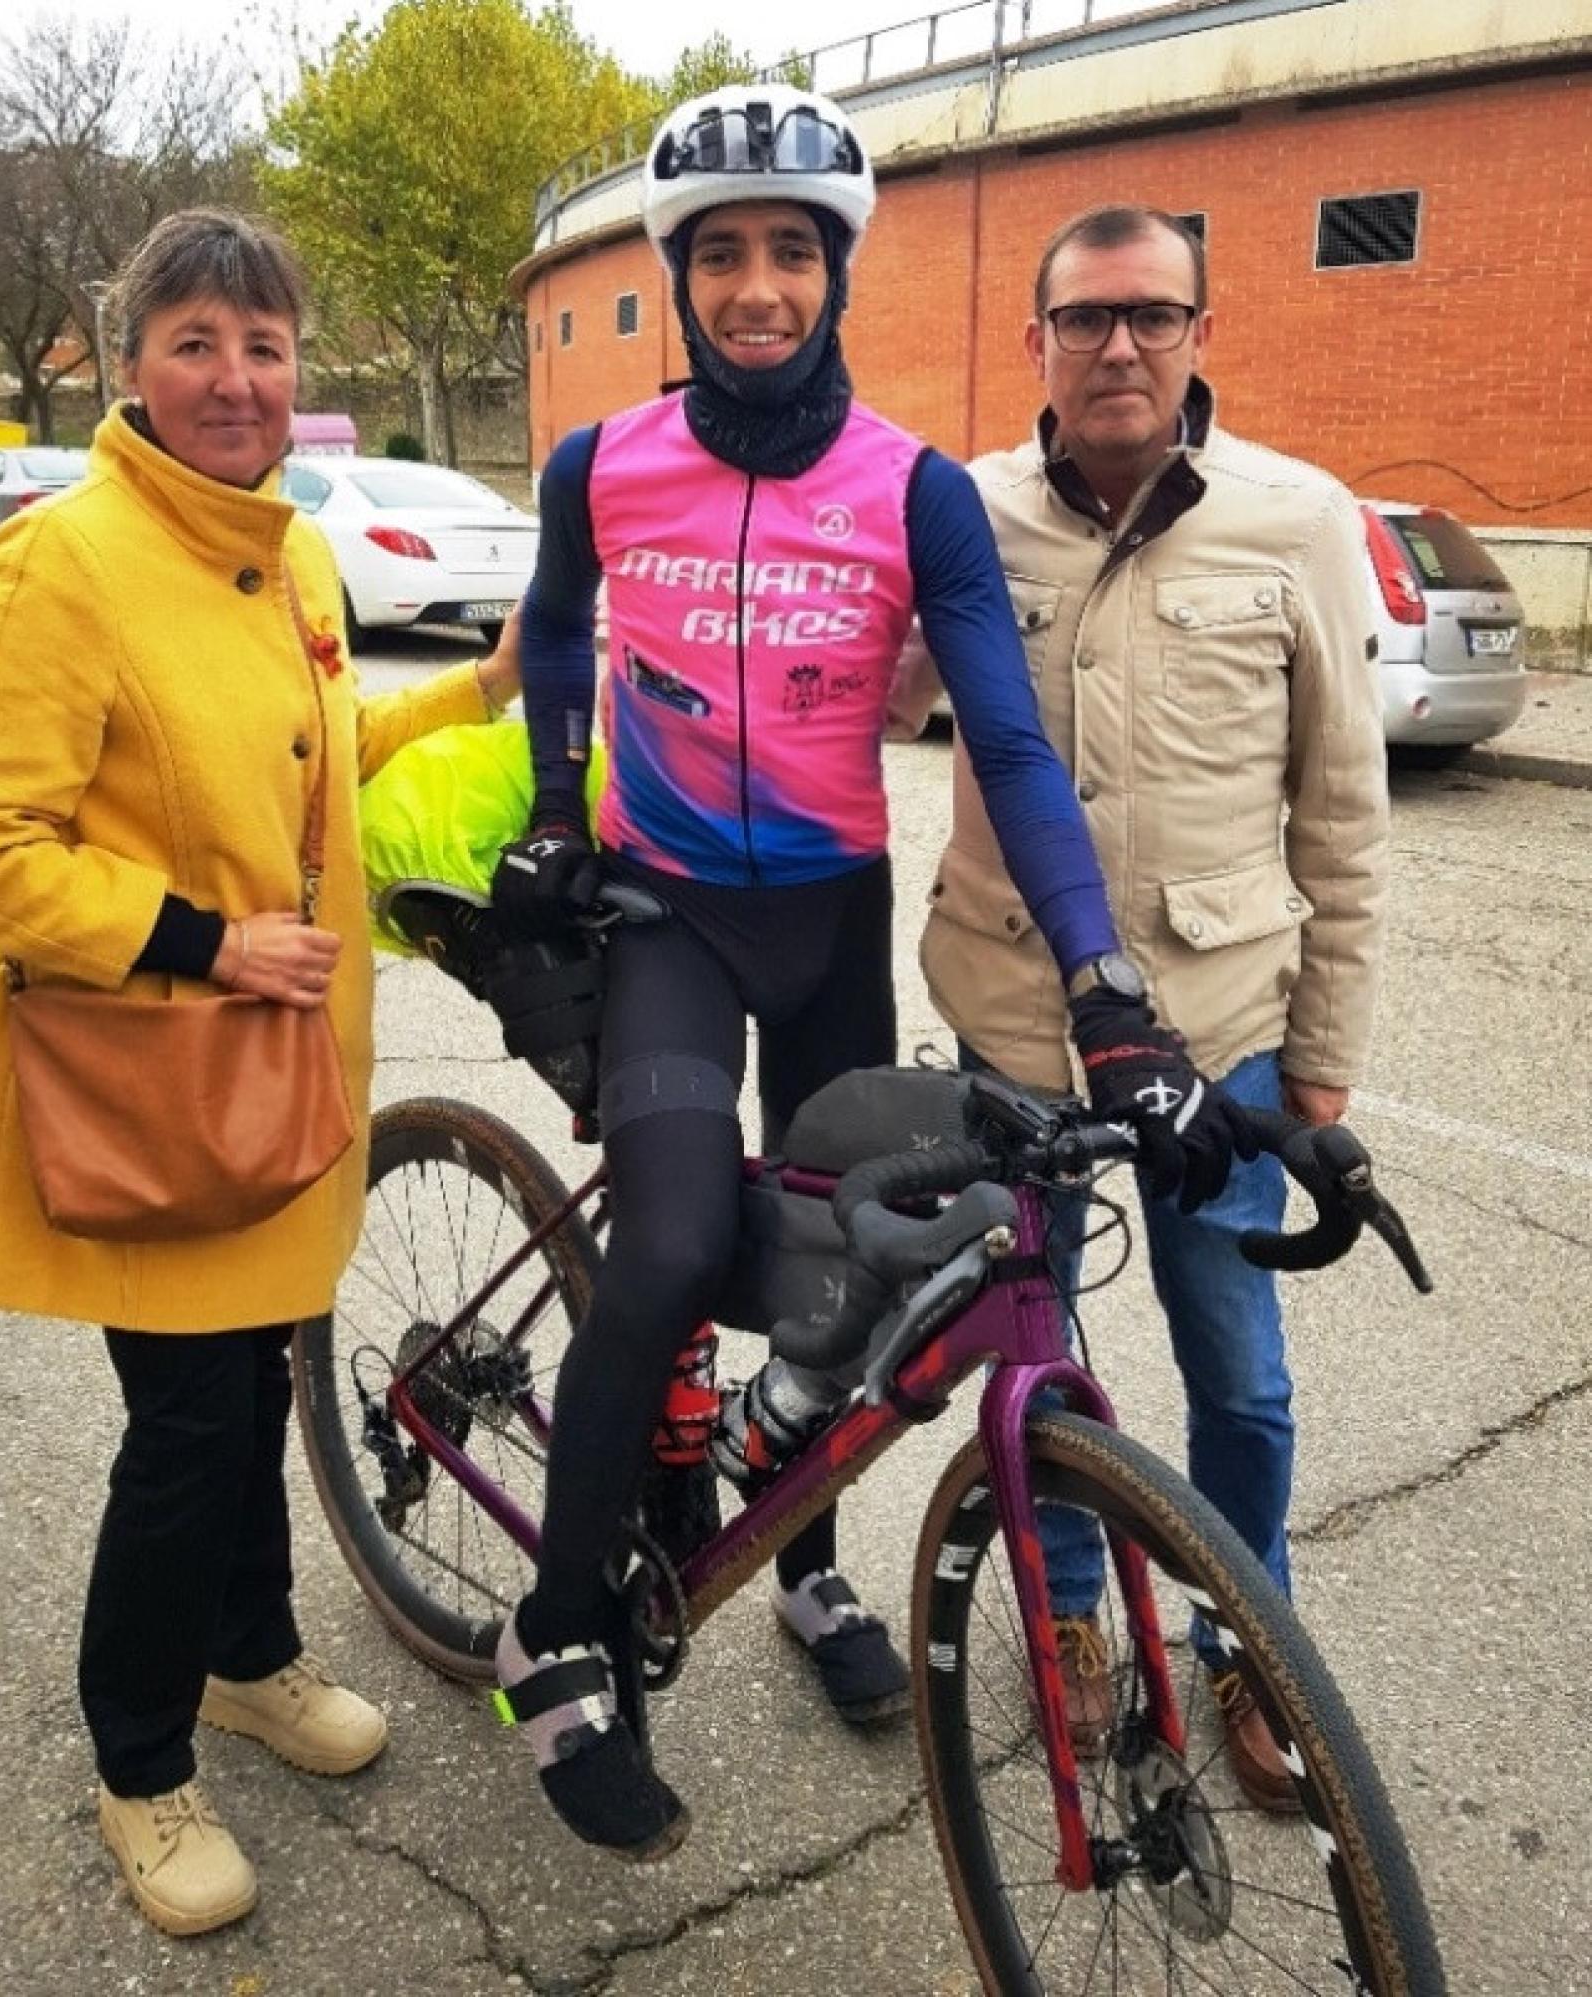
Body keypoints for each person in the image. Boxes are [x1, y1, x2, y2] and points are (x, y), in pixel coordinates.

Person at [487, 92, 1255, 1861]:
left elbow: (1009, 741)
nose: (757, 288)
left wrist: (1107, 990)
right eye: (721, 256)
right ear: (678, 278)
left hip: (826, 913)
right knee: (678, 1240)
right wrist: (547, 811)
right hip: (668, 912)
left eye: (790, 253)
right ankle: (552, 1633)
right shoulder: (599, 466)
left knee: (835, 1282)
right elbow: (552, 638)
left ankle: (805, 1583)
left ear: (837, 272)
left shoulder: (911, 490)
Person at [0, 209, 520, 1936]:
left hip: (286, 1098)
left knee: (252, 1391)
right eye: (195, 342)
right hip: (160, 1097)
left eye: (264, 347)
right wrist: (203, 938)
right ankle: (139, 1761)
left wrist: (476, 688)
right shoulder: (62, 563)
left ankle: (248, 1656)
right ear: (130, 362)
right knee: (185, 1434)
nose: (235, 378)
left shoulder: (288, 553)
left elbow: (307, 768)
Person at [890, 202, 1388, 1809]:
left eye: (1151, 317)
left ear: (1197, 335)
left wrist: (1320, 1064)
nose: (1118, 345)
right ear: (1033, 339)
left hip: (1218, 1024)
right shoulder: (957, 511)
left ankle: (1249, 1646)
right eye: (1084, 318)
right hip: (1010, 1013)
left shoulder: (1297, 519)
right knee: (1034, 1355)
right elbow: (874, 694)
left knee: (1235, 1368)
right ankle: (1075, 1618)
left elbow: (1342, 811)